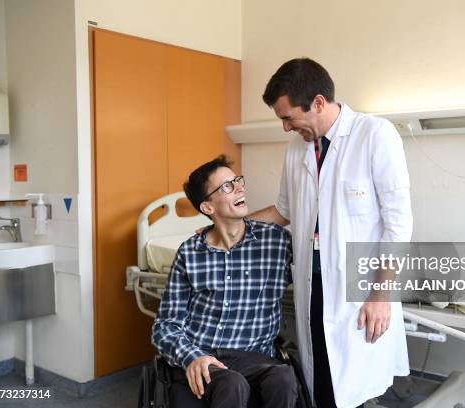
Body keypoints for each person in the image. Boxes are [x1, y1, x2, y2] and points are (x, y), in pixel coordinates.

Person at [250, 58, 412, 408]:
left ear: (319, 103)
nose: (285, 128)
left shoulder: (375, 135)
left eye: (287, 117)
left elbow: (398, 224)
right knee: (320, 381)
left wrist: (381, 295)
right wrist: (235, 224)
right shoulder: (296, 149)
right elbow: (284, 211)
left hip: (362, 287)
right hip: (313, 283)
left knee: (355, 386)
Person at [152, 155, 298, 408]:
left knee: (284, 377)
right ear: (208, 208)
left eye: (237, 181)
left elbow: (319, 267)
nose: (240, 188)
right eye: (227, 187)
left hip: (255, 356)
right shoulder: (190, 253)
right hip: (203, 354)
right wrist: (192, 357)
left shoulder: (277, 243)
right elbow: (165, 325)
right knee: (231, 384)